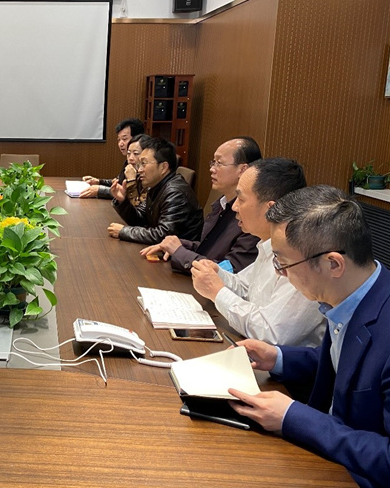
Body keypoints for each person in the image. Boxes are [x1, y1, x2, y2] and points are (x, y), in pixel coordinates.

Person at [228, 185, 389, 488]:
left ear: (333, 264)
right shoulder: (353, 295)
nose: (280, 273)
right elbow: (345, 365)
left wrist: (293, 417)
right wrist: (277, 357)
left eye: (284, 262)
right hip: (325, 461)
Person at [191, 158, 325, 347]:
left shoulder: (302, 256)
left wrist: (217, 291)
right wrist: (216, 273)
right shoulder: (266, 244)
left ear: (271, 209)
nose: (234, 207)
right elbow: (247, 289)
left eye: (241, 199)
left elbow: (271, 332)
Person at [140, 137, 261, 274]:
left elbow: (230, 271)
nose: (212, 169)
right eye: (213, 162)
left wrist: (180, 252)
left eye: (219, 163)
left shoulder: (253, 218)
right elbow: (208, 249)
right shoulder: (221, 204)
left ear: (243, 169)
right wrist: (179, 244)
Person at [107, 137, 203, 244]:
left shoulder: (175, 193)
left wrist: (124, 232)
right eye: (139, 164)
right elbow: (140, 219)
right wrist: (123, 201)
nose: (139, 170)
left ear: (163, 167)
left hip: (177, 253)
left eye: (144, 163)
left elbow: (163, 235)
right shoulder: (156, 185)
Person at [80, 118, 145, 198]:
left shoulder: (143, 166)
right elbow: (119, 183)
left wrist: (100, 190)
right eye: (119, 140)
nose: (120, 144)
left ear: (137, 138)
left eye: (124, 139)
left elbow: (132, 197)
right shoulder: (129, 160)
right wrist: (99, 182)